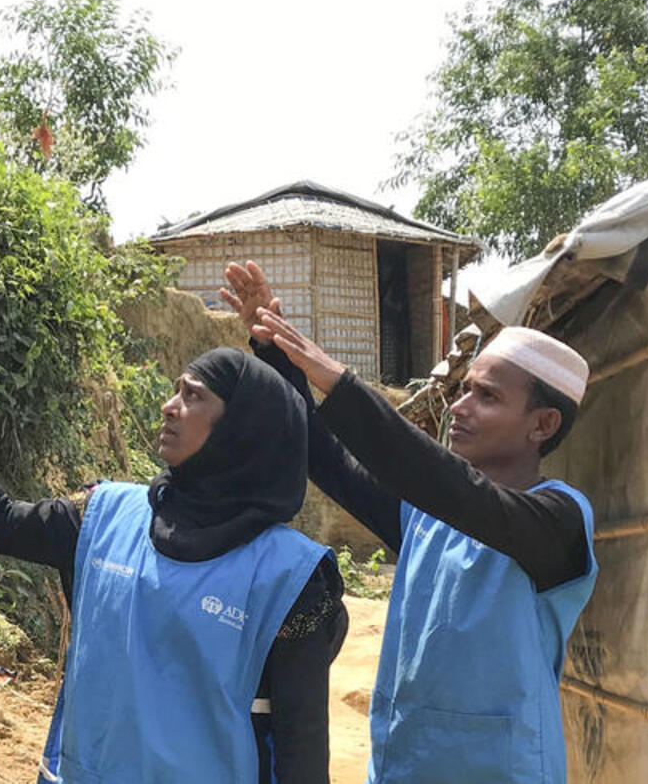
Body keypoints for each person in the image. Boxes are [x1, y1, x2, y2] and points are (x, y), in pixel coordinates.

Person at [0, 313, 347, 784]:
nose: (170, 406)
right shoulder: (103, 516)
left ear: (242, 428)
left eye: (193, 395)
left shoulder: (290, 579)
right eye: (176, 390)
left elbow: (301, 748)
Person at [218, 262, 597, 784]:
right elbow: (324, 456)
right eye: (464, 390)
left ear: (543, 424)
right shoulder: (425, 516)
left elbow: (457, 491)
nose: (459, 408)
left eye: (487, 396)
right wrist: (274, 350)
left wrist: (342, 384)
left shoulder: (559, 521)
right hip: (400, 768)